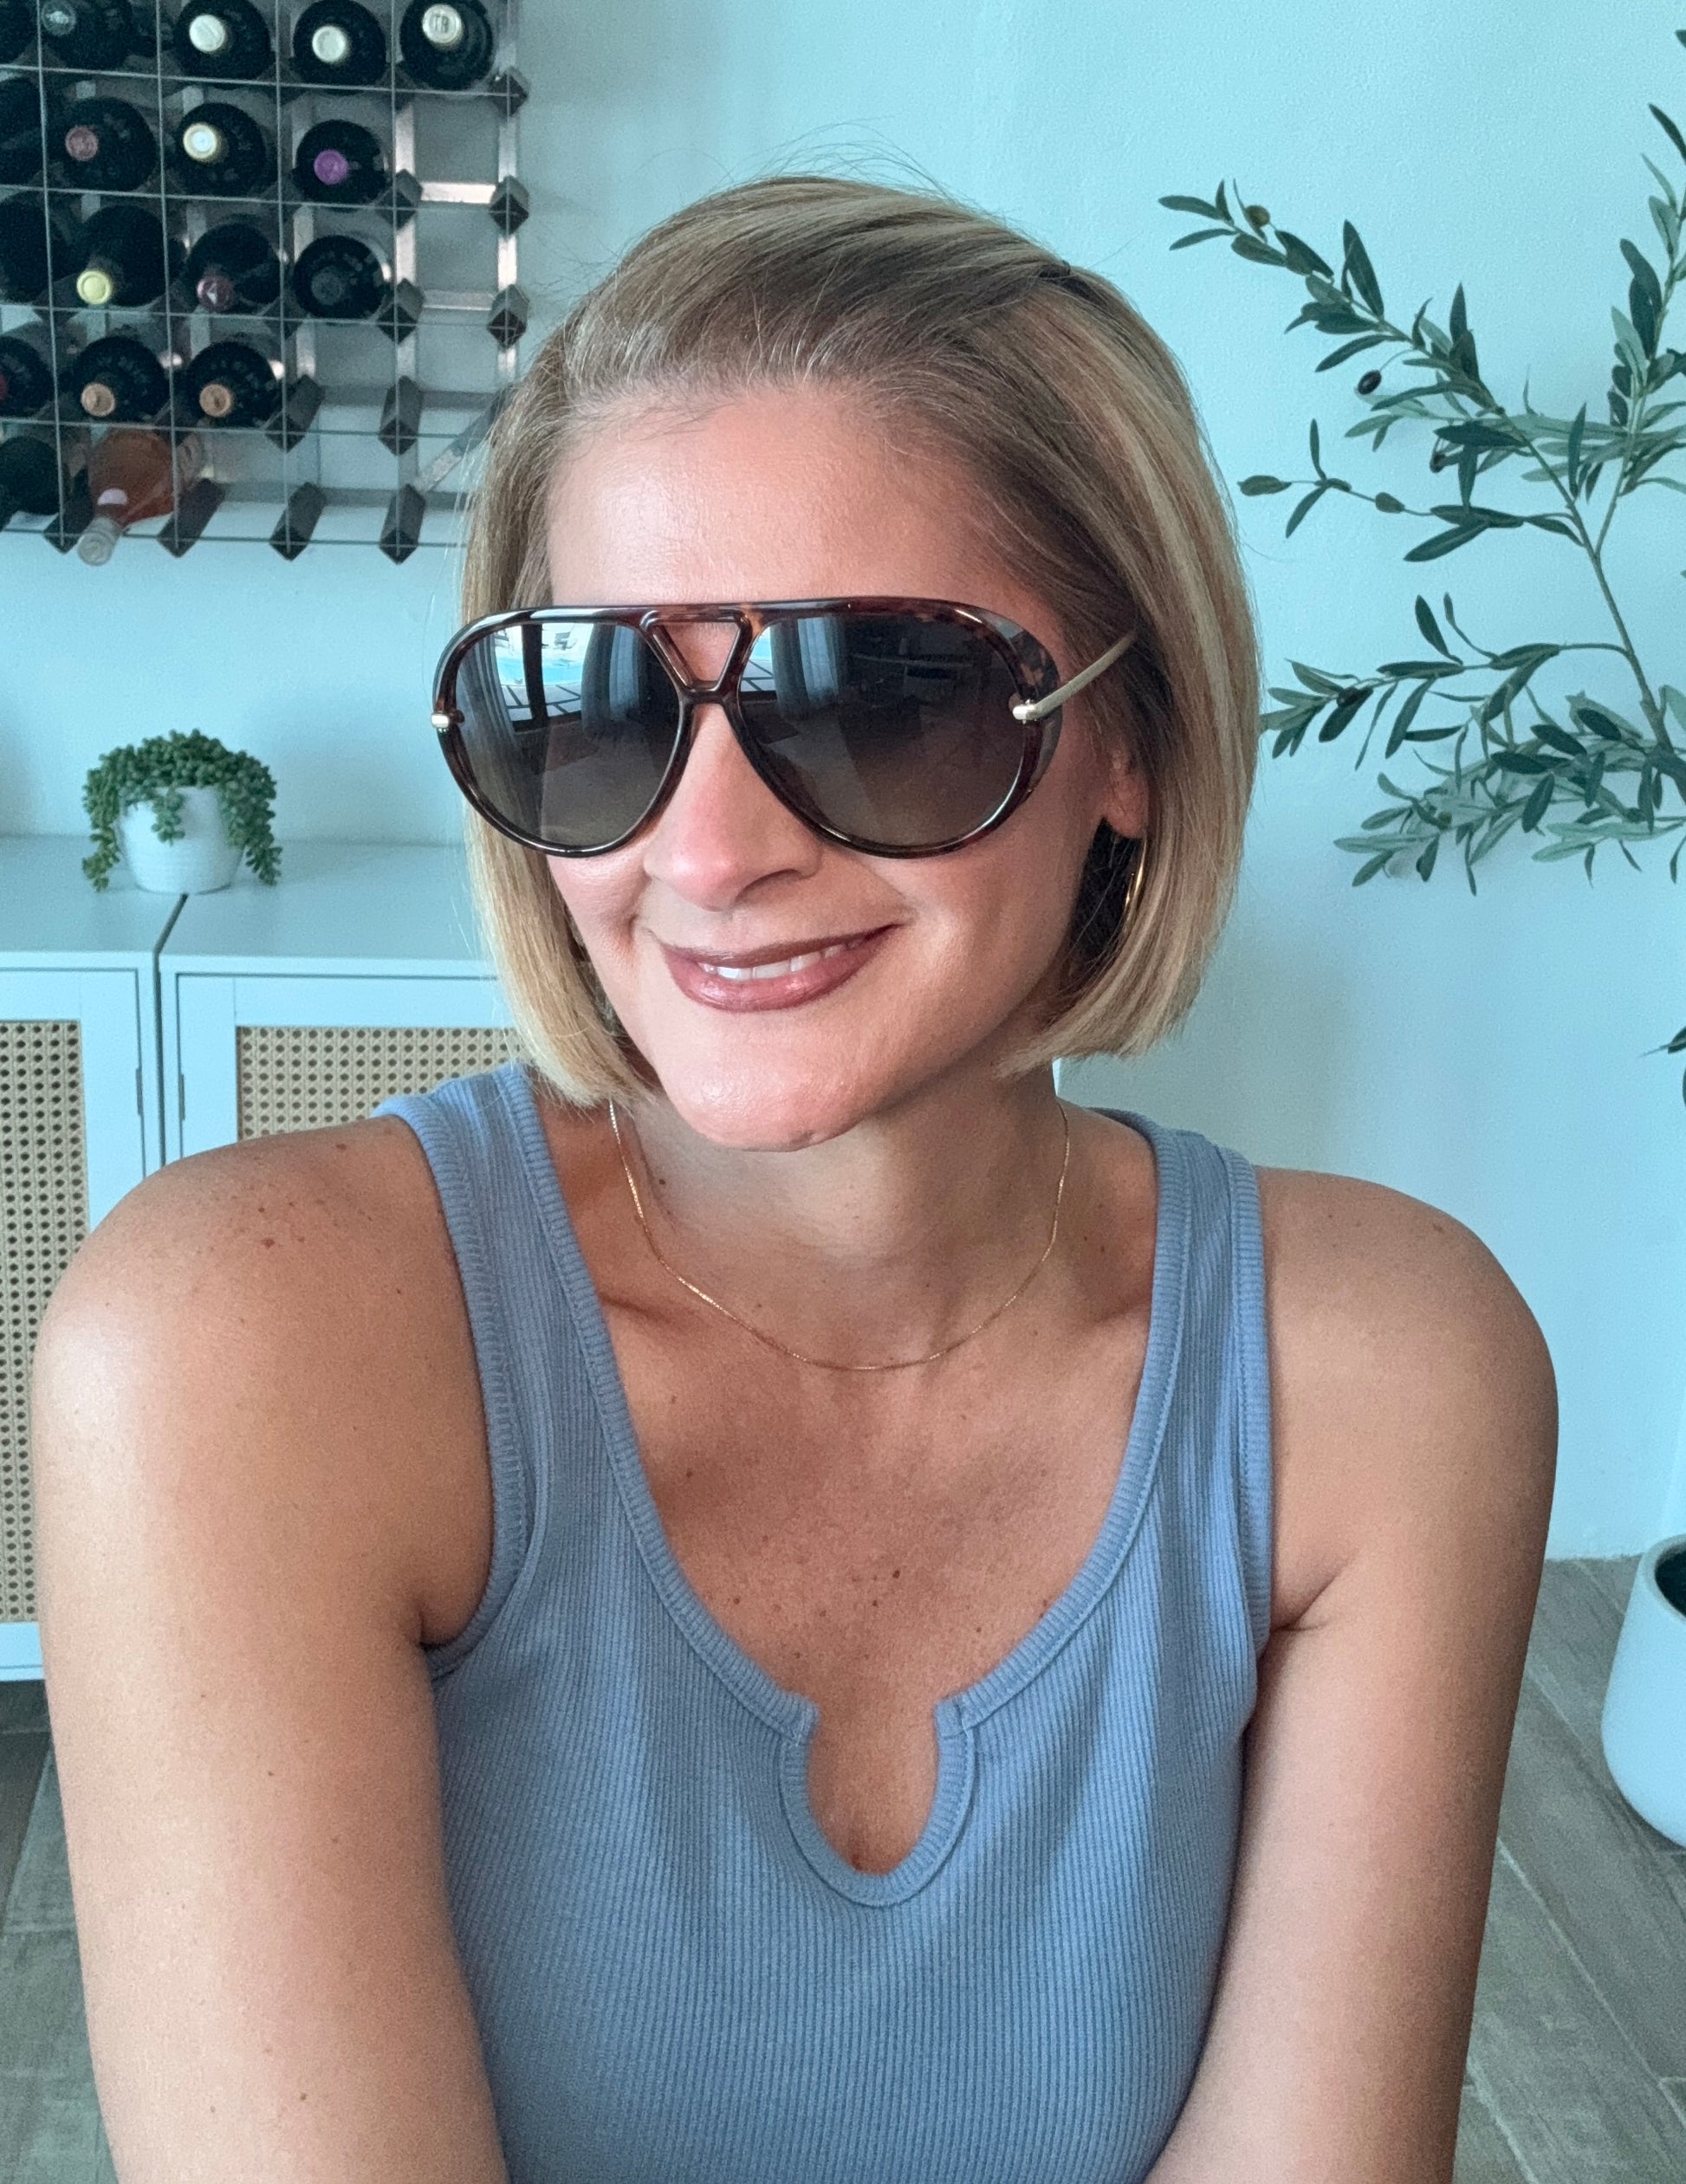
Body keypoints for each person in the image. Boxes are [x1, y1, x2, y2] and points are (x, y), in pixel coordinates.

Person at [31, 175, 1556, 2184]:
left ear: (1133, 742)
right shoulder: (247, 1345)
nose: (707, 848)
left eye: (881, 695)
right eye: (594, 704)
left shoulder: (1380, 1378)